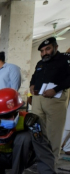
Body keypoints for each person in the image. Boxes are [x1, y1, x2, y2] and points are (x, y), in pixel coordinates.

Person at [29, 37, 70, 165]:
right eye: (42, 51)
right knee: (37, 130)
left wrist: (56, 89)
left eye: (47, 49)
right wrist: (31, 86)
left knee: (54, 133)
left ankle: (51, 162)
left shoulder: (65, 60)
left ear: (55, 47)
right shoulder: (41, 63)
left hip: (55, 100)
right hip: (38, 100)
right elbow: (34, 77)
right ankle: (37, 157)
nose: (44, 53)